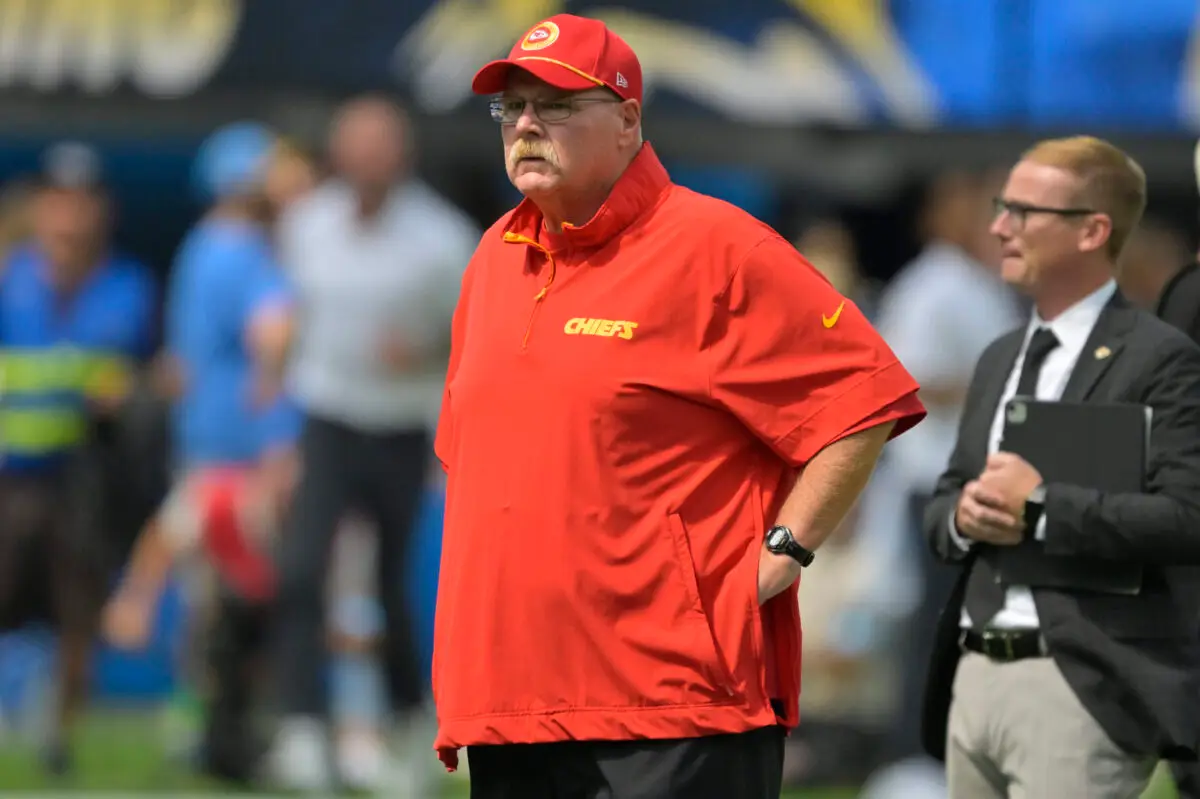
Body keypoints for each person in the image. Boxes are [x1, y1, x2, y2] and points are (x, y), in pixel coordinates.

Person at [433, 14, 927, 798]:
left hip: (675, 701)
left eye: (555, 103)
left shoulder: (717, 248)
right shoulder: (494, 256)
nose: (526, 123)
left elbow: (863, 402)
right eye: (512, 106)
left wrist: (786, 550)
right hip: (514, 701)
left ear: (628, 120)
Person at [920, 135, 1200, 798]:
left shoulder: (1162, 356)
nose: (998, 227)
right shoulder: (998, 356)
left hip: (1076, 680)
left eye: (1023, 211)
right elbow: (945, 499)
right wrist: (960, 516)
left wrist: (1042, 507)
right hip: (973, 676)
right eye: (1000, 207)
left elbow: (1187, 517)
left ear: (1092, 231)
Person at [268, 94, 479, 794]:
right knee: (301, 570)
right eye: (355, 144)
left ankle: (406, 727)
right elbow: (291, 315)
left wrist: (423, 350)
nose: (366, 158)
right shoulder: (307, 222)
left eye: (379, 145)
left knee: (390, 585)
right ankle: (303, 726)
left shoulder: (442, 237)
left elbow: (476, 341)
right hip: (325, 416)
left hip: (398, 424)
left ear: (403, 154)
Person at [103, 121, 297, 784]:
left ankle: (196, 719)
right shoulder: (247, 251)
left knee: (207, 599)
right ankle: (255, 727)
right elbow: (272, 332)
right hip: (246, 448)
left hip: (206, 438)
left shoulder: (197, 246)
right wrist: (277, 392)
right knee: (259, 597)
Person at [0, 143, 158, 772]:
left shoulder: (128, 288)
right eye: (58, 200)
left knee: (76, 615)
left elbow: (145, 380)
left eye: (82, 202)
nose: (69, 215)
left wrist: (129, 394)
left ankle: (54, 739)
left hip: (84, 480)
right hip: (9, 479)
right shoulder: (8, 276)